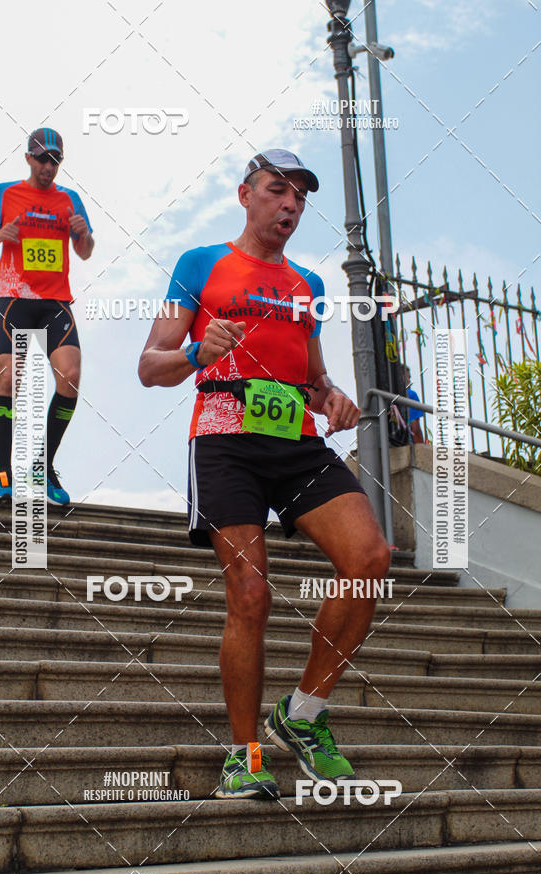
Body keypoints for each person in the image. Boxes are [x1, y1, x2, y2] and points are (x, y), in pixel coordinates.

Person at [139, 149, 390, 800]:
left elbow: (314, 378)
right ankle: (245, 753)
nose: (290, 206)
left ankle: (303, 714)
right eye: (278, 191)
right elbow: (151, 365)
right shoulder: (202, 264)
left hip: (296, 442)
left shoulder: (309, 284)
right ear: (245, 196)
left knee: (369, 557)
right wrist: (197, 349)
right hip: (226, 438)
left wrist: (331, 396)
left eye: (300, 198)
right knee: (251, 595)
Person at [0, 128, 94, 504]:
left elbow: (86, 251)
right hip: (13, 298)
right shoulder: (6, 193)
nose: (48, 166)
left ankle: (42, 467)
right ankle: (4, 476)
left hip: (55, 302)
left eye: (55, 159)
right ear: (28, 158)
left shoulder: (70, 199)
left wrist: (82, 235)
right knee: (10, 379)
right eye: (42, 158)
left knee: (70, 377)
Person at [404, 366, 425, 444]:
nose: (410, 381)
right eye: (408, 377)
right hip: (407, 443)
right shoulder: (410, 394)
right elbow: (415, 428)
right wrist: (421, 448)